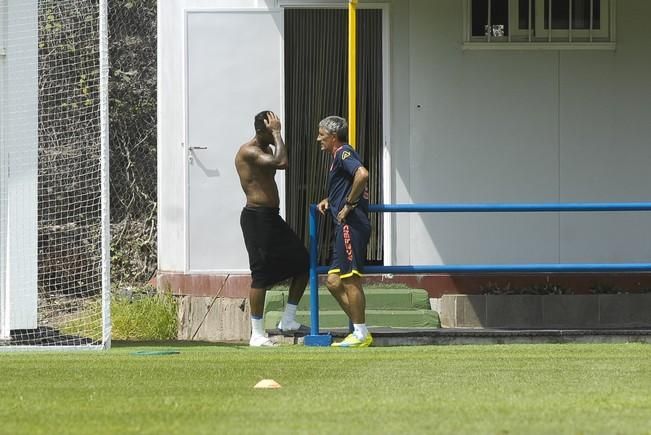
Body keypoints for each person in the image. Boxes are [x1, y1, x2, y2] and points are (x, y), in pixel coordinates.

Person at [235, 111, 309, 347]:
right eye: (273, 130)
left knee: (303, 262)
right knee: (261, 274)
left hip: (271, 217)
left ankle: (288, 320)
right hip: (256, 218)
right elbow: (282, 163)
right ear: (262, 131)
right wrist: (277, 134)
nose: (278, 133)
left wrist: (276, 134)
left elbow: (278, 159)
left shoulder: (266, 150)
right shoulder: (249, 152)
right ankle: (256, 333)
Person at [316, 115, 373, 348]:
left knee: (350, 279)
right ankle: (362, 329)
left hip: (352, 224)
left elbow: (362, 174)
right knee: (332, 281)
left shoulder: (344, 153)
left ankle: (360, 334)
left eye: (321, 134)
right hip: (343, 226)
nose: (318, 139)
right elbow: (349, 182)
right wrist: (331, 199)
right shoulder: (337, 157)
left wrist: (348, 204)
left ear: (332, 136)